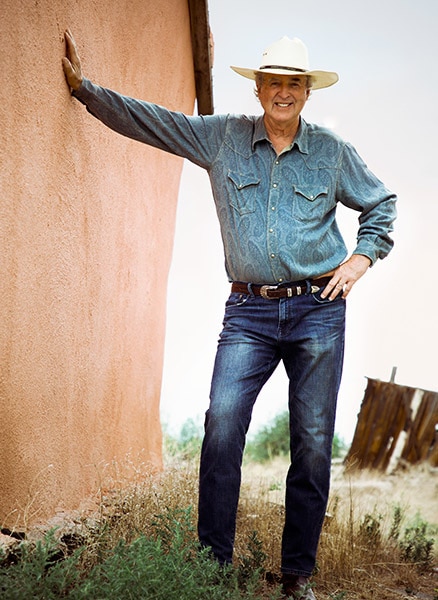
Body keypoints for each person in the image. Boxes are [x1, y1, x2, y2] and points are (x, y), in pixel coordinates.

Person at [62, 31, 396, 599]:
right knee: (221, 428)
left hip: (319, 311)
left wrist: (362, 257)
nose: (283, 92)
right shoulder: (223, 138)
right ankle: (211, 572)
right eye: (274, 82)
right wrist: (85, 91)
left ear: (307, 92)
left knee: (312, 444)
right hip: (248, 312)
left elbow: (381, 202)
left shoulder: (332, 151)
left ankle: (298, 578)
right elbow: (155, 123)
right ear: (259, 87)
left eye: (294, 83)